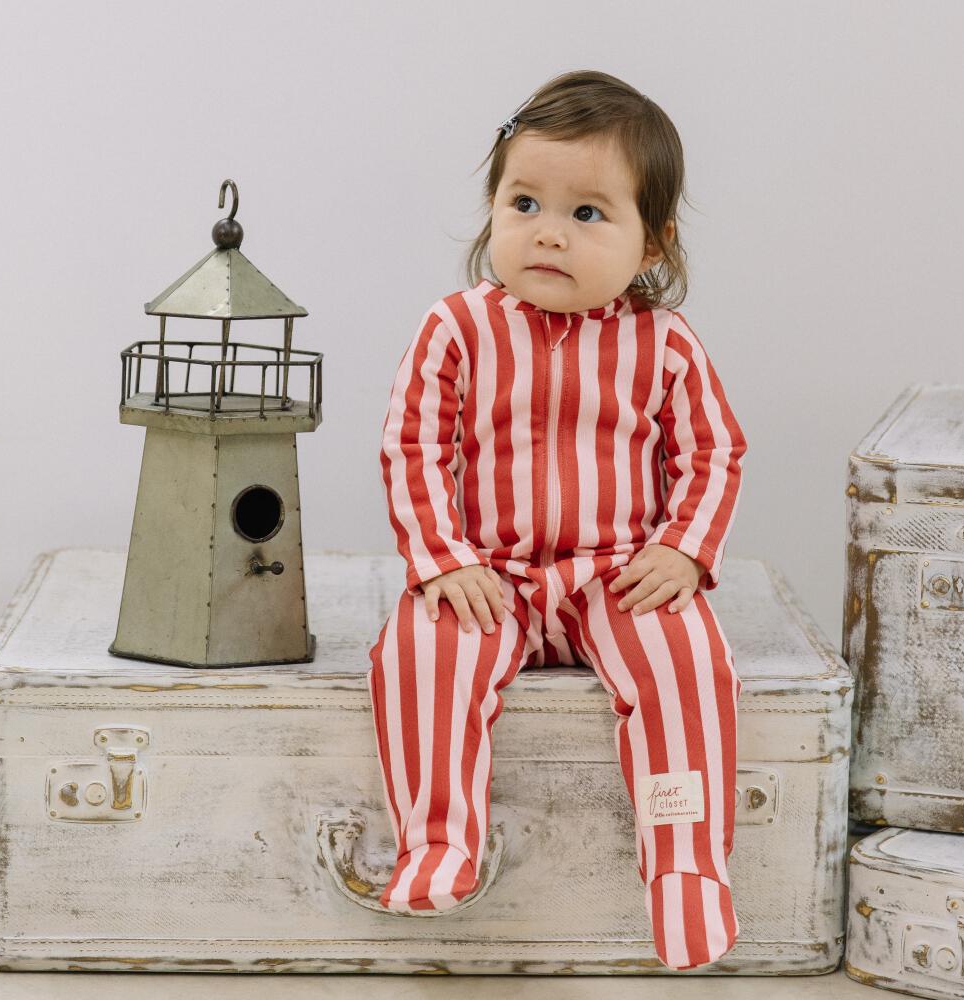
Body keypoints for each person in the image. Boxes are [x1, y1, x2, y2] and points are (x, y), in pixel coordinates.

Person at [366, 69, 748, 971]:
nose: (547, 231)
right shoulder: (457, 329)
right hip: (489, 573)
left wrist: (683, 551)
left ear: (652, 243)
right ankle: (439, 839)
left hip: (617, 572)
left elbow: (712, 452)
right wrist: (442, 558)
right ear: (493, 207)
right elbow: (413, 445)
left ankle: (687, 864)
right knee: (419, 652)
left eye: (587, 213)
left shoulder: (664, 344)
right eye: (525, 202)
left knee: (687, 659)